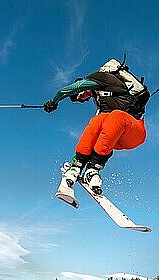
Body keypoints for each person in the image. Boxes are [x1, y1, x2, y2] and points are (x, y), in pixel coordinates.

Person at [43, 59, 149, 206]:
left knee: (114, 116)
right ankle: (77, 164)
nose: (81, 99)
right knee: (98, 120)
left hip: (134, 132)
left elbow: (67, 90)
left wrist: (53, 101)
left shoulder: (100, 78)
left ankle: (94, 167)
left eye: (79, 96)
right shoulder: (101, 98)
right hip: (115, 137)